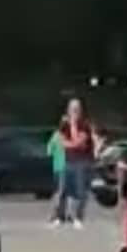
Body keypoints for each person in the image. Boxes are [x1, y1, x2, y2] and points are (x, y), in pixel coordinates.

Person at [51, 98, 97, 229]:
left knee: (81, 191)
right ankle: (60, 217)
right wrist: (70, 143)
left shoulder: (84, 125)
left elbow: (79, 143)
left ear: (80, 110)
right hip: (68, 161)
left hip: (83, 162)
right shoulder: (63, 125)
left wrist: (72, 126)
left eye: (76, 108)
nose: (74, 111)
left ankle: (78, 218)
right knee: (63, 190)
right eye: (71, 108)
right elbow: (59, 141)